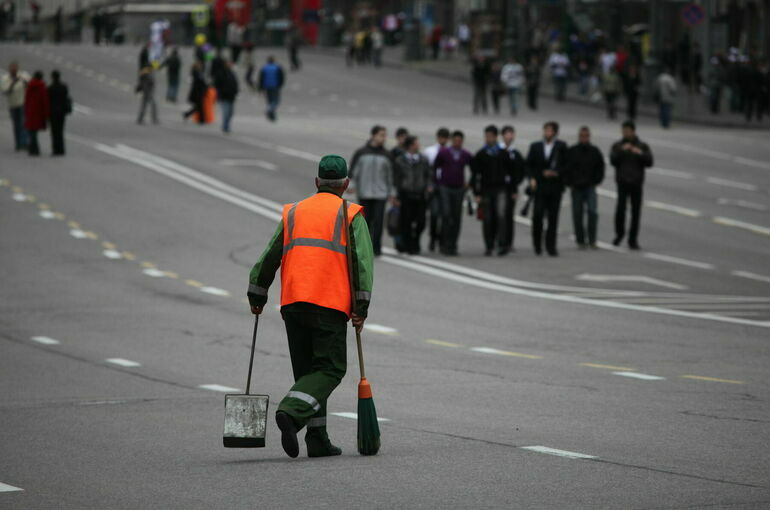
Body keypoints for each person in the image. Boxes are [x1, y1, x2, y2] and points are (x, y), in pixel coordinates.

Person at [247, 155, 374, 459]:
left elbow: (270, 255)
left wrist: (257, 294)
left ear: (316, 182)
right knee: (329, 369)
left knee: (308, 373)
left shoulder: (294, 211)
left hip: (293, 302)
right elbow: (362, 264)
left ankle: (317, 439)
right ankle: (291, 412)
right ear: (346, 185)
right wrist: (361, 306)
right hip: (328, 303)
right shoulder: (350, 213)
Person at [347, 125, 395, 256]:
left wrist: (392, 193)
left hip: (381, 193)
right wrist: (351, 186)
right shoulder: (361, 152)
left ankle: (377, 248)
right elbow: (353, 171)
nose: (384, 138)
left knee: (379, 221)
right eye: (381, 135)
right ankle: (364, 247)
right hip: (365, 192)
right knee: (365, 222)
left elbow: (391, 175)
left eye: (385, 135)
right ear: (373, 135)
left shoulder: (387, 155)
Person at [471, 126, 516, 256]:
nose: (488, 139)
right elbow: (476, 175)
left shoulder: (503, 153)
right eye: (486, 136)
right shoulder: (481, 154)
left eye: (490, 136)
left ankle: (502, 244)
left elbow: (511, 173)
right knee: (488, 218)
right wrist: (477, 193)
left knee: (501, 215)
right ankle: (489, 245)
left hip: (501, 188)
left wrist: (513, 190)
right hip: (486, 189)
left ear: (496, 137)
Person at [526, 121, 568, 256]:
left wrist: (556, 173)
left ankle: (551, 246)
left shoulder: (561, 147)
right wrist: (533, 177)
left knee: (553, 218)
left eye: (550, 131)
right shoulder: (536, 146)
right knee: (537, 216)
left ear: (555, 132)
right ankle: (537, 244)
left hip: (555, 187)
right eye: (546, 130)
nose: (547, 133)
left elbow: (567, 165)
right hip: (540, 186)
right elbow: (529, 165)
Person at [610, 120, 653, 250]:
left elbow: (649, 161)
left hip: (636, 182)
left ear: (633, 131)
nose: (625, 133)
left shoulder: (642, 146)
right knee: (620, 210)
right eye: (624, 131)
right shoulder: (617, 145)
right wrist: (623, 151)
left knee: (635, 212)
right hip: (622, 182)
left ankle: (633, 239)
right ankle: (619, 234)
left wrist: (638, 152)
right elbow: (613, 160)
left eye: (628, 131)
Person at [433, 130, 471, 256]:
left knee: (457, 217)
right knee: (446, 215)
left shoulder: (465, 154)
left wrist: (469, 183)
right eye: (455, 140)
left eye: (460, 141)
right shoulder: (444, 152)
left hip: (459, 188)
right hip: (445, 187)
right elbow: (435, 167)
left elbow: (474, 168)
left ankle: (453, 245)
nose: (457, 143)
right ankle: (444, 243)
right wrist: (437, 183)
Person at [566, 127, 604, 249]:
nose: (584, 138)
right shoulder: (572, 151)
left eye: (586, 136)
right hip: (576, 187)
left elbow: (600, 166)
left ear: (589, 137)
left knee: (592, 212)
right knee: (577, 213)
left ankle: (592, 240)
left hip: (590, 186)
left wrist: (597, 181)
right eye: (582, 136)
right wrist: (569, 183)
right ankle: (580, 240)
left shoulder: (594, 151)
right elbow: (566, 168)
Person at [393, 136, 431, 254]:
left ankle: (416, 240)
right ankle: (409, 245)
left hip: (420, 194)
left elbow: (429, 174)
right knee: (406, 221)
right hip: (405, 194)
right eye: (416, 143)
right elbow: (396, 179)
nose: (418, 145)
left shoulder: (423, 160)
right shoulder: (400, 160)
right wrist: (396, 195)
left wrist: (429, 186)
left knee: (421, 221)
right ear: (410, 146)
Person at [498, 125, 526, 250]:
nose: (510, 136)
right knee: (498, 215)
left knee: (509, 215)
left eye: (511, 134)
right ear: (503, 135)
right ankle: (498, 240)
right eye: (507, 134)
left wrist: (515, 187)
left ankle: (508, 242)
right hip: (497, 188)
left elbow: (521, 171)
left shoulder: (516, 153)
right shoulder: (497, 151)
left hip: (511, 189)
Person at [423, 127, 450, 252]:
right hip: (433, 186)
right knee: (434, 214)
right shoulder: (430, 151)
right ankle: (433, 237)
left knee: (445, 215)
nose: (443, 140)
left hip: (445, 185)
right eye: (441, 137)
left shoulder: (449, 152)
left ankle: (442, 239)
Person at [1, 61, 30, 151]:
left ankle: (24, 142)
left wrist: (23, 81)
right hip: (13, 104)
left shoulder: (23, 75)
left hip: (23, 103)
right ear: (9, 69)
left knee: (24, 123)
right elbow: (5, 91)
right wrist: (13, 82)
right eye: (12, 68)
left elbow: (30, 85)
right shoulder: (5, 78)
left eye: (15, 67)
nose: (13, 69)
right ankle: (18, 143)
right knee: (16, 125)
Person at [23, 70, 48, 156]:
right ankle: (35, 149)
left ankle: (32, 148)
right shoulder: (42, 86)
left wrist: (26, 109)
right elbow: (44, 101)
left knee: (31, 131)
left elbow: (26, 98)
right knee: (34, 132)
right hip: (38, 112)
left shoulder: (30, 85)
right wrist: (46, 114)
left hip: (30, 111)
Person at [47, 70, 71, 156]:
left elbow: (48, 100)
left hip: (53, 112)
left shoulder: (50, 88)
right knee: (60, 131)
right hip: (62, 112)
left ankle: (55, 149)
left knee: (54, 132)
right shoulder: (63, 87)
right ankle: (61, 149)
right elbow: (66, 98)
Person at [214, 60, 238, 133]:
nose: (229, 65)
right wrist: (220, 92)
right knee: (226, 112)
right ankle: (225, 126)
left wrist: (236, 91)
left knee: (231, 113)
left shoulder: (232, 73)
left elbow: (235, 83)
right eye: (228, 64)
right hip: (224, 96)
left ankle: (226, 125)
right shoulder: (221, 73)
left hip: (231, 96)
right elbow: (216, 84)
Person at [258, 56, 284, 122]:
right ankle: (270, 111)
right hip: (275, 86)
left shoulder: (264, 68)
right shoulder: (277, 68)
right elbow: (281, 77)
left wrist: (260, 87)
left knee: (269, 100)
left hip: (267, 86)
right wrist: (280, 85)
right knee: (276, 100)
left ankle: (272, 114)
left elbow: (261, 78)